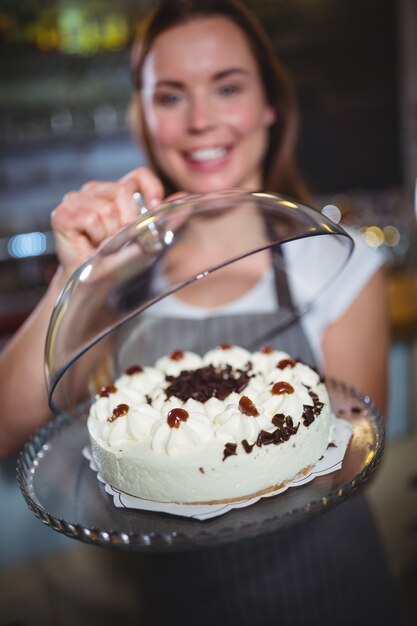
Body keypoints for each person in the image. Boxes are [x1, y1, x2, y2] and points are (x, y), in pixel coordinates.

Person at [0, 1, 400, 624]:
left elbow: (347, 463)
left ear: (270, 104)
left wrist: (205, 458)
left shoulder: (336, 267)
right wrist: (76, 277)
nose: (201, 121)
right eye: (171, 96)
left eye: (228, 87)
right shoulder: (121, 283)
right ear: (144, 118)